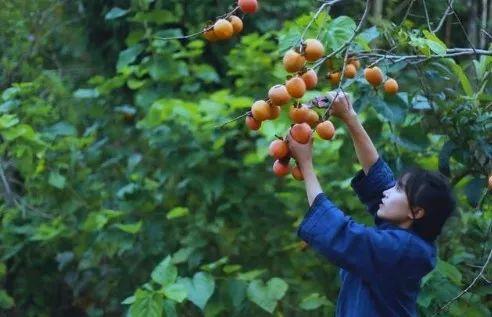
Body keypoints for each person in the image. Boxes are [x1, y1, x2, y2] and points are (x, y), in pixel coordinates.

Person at [286, 91, 456, 317]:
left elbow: (342, 234)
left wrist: (306, 164)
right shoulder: (404, 237)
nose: (388, 190)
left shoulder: (402, 250)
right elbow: (377, 177)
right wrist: (349, 116)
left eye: (399, 189)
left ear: (416, 212)